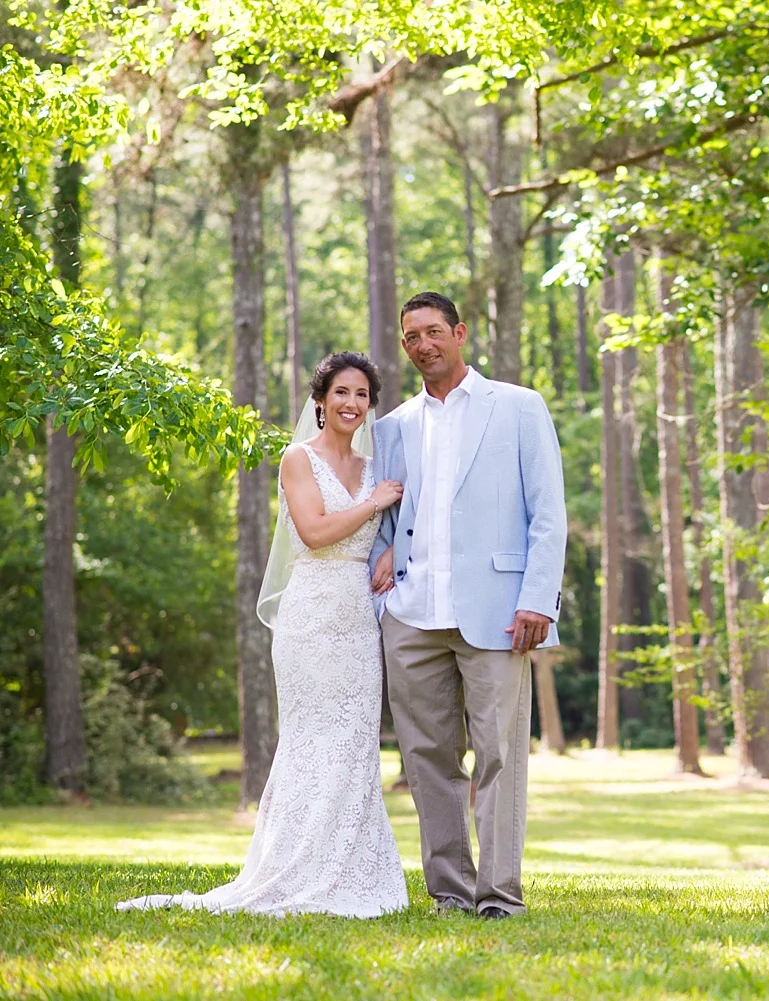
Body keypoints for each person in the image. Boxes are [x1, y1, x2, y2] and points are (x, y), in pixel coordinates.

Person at [118, 353, 409, 918]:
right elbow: (316, 532)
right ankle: (293, 865)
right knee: (309, 739)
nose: (352, 403)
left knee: (353, 741)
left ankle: (350, 867)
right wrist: (374, 505)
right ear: (320, 401)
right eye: (341, 393)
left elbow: (396, 530)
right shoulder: (298, 459)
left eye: (362, 395)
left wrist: (392, 547)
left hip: (356, 619)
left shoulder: (375, 467)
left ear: (371, 404)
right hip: (309, 616)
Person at [369, 291, 567, 919]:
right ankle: (450, 892)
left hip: (499, 615)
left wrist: (538, 599)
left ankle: (500, 895)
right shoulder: (393, 425)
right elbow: (389, 511)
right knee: (427, 759)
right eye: (411, 337)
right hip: (413, 613)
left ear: (459, 333)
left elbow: (548, 514)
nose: (423, 345)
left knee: (500, 756)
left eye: (433, 332)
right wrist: (381, 557)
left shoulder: (517, 407)